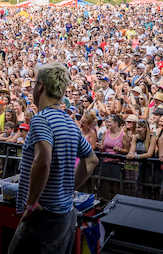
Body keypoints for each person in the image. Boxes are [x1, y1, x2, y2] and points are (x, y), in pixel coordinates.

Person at [9, 63, 98, 254]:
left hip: (44, 216)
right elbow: (91, 160)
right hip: (65, 213)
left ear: (40, 86)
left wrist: (32, 203)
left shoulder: (41, 119)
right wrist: (67, 189)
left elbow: (43, 161)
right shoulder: (70, 122)